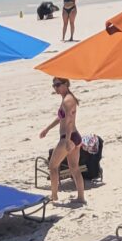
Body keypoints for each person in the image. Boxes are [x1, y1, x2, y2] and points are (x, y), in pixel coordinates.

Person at [39, 77, 87, 205]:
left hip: (68, 137)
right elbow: (61, 118)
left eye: (58, 85)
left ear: (66, 84)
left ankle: (54, 196)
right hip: (74, 137)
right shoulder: (67, 98)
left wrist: (67, 140)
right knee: (74, 168)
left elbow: (70, 121)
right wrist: (47, 129)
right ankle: (81, 198)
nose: (56, 88)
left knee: (53, 166)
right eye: (54, 85)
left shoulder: (67, 100)